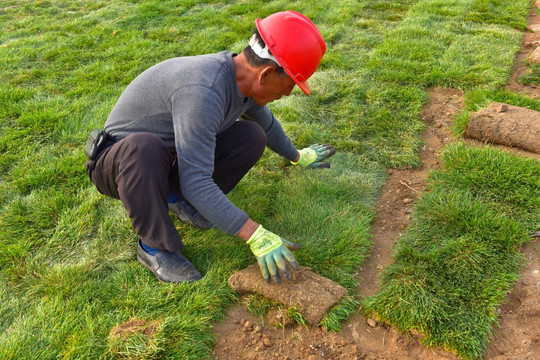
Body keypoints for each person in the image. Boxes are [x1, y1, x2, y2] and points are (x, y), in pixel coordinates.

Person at [85, 10, 335, 285]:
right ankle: (154, 247)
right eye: (288, 86)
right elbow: (196, 180)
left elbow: (267, 127)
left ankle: (180, 202)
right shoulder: (204, 90)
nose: (286, 95)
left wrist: (298, 156)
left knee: (251, 135)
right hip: (120, 164)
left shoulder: (242, 81)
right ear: (265, 74)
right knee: (145, 148)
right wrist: (254, 234)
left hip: (165, 159)